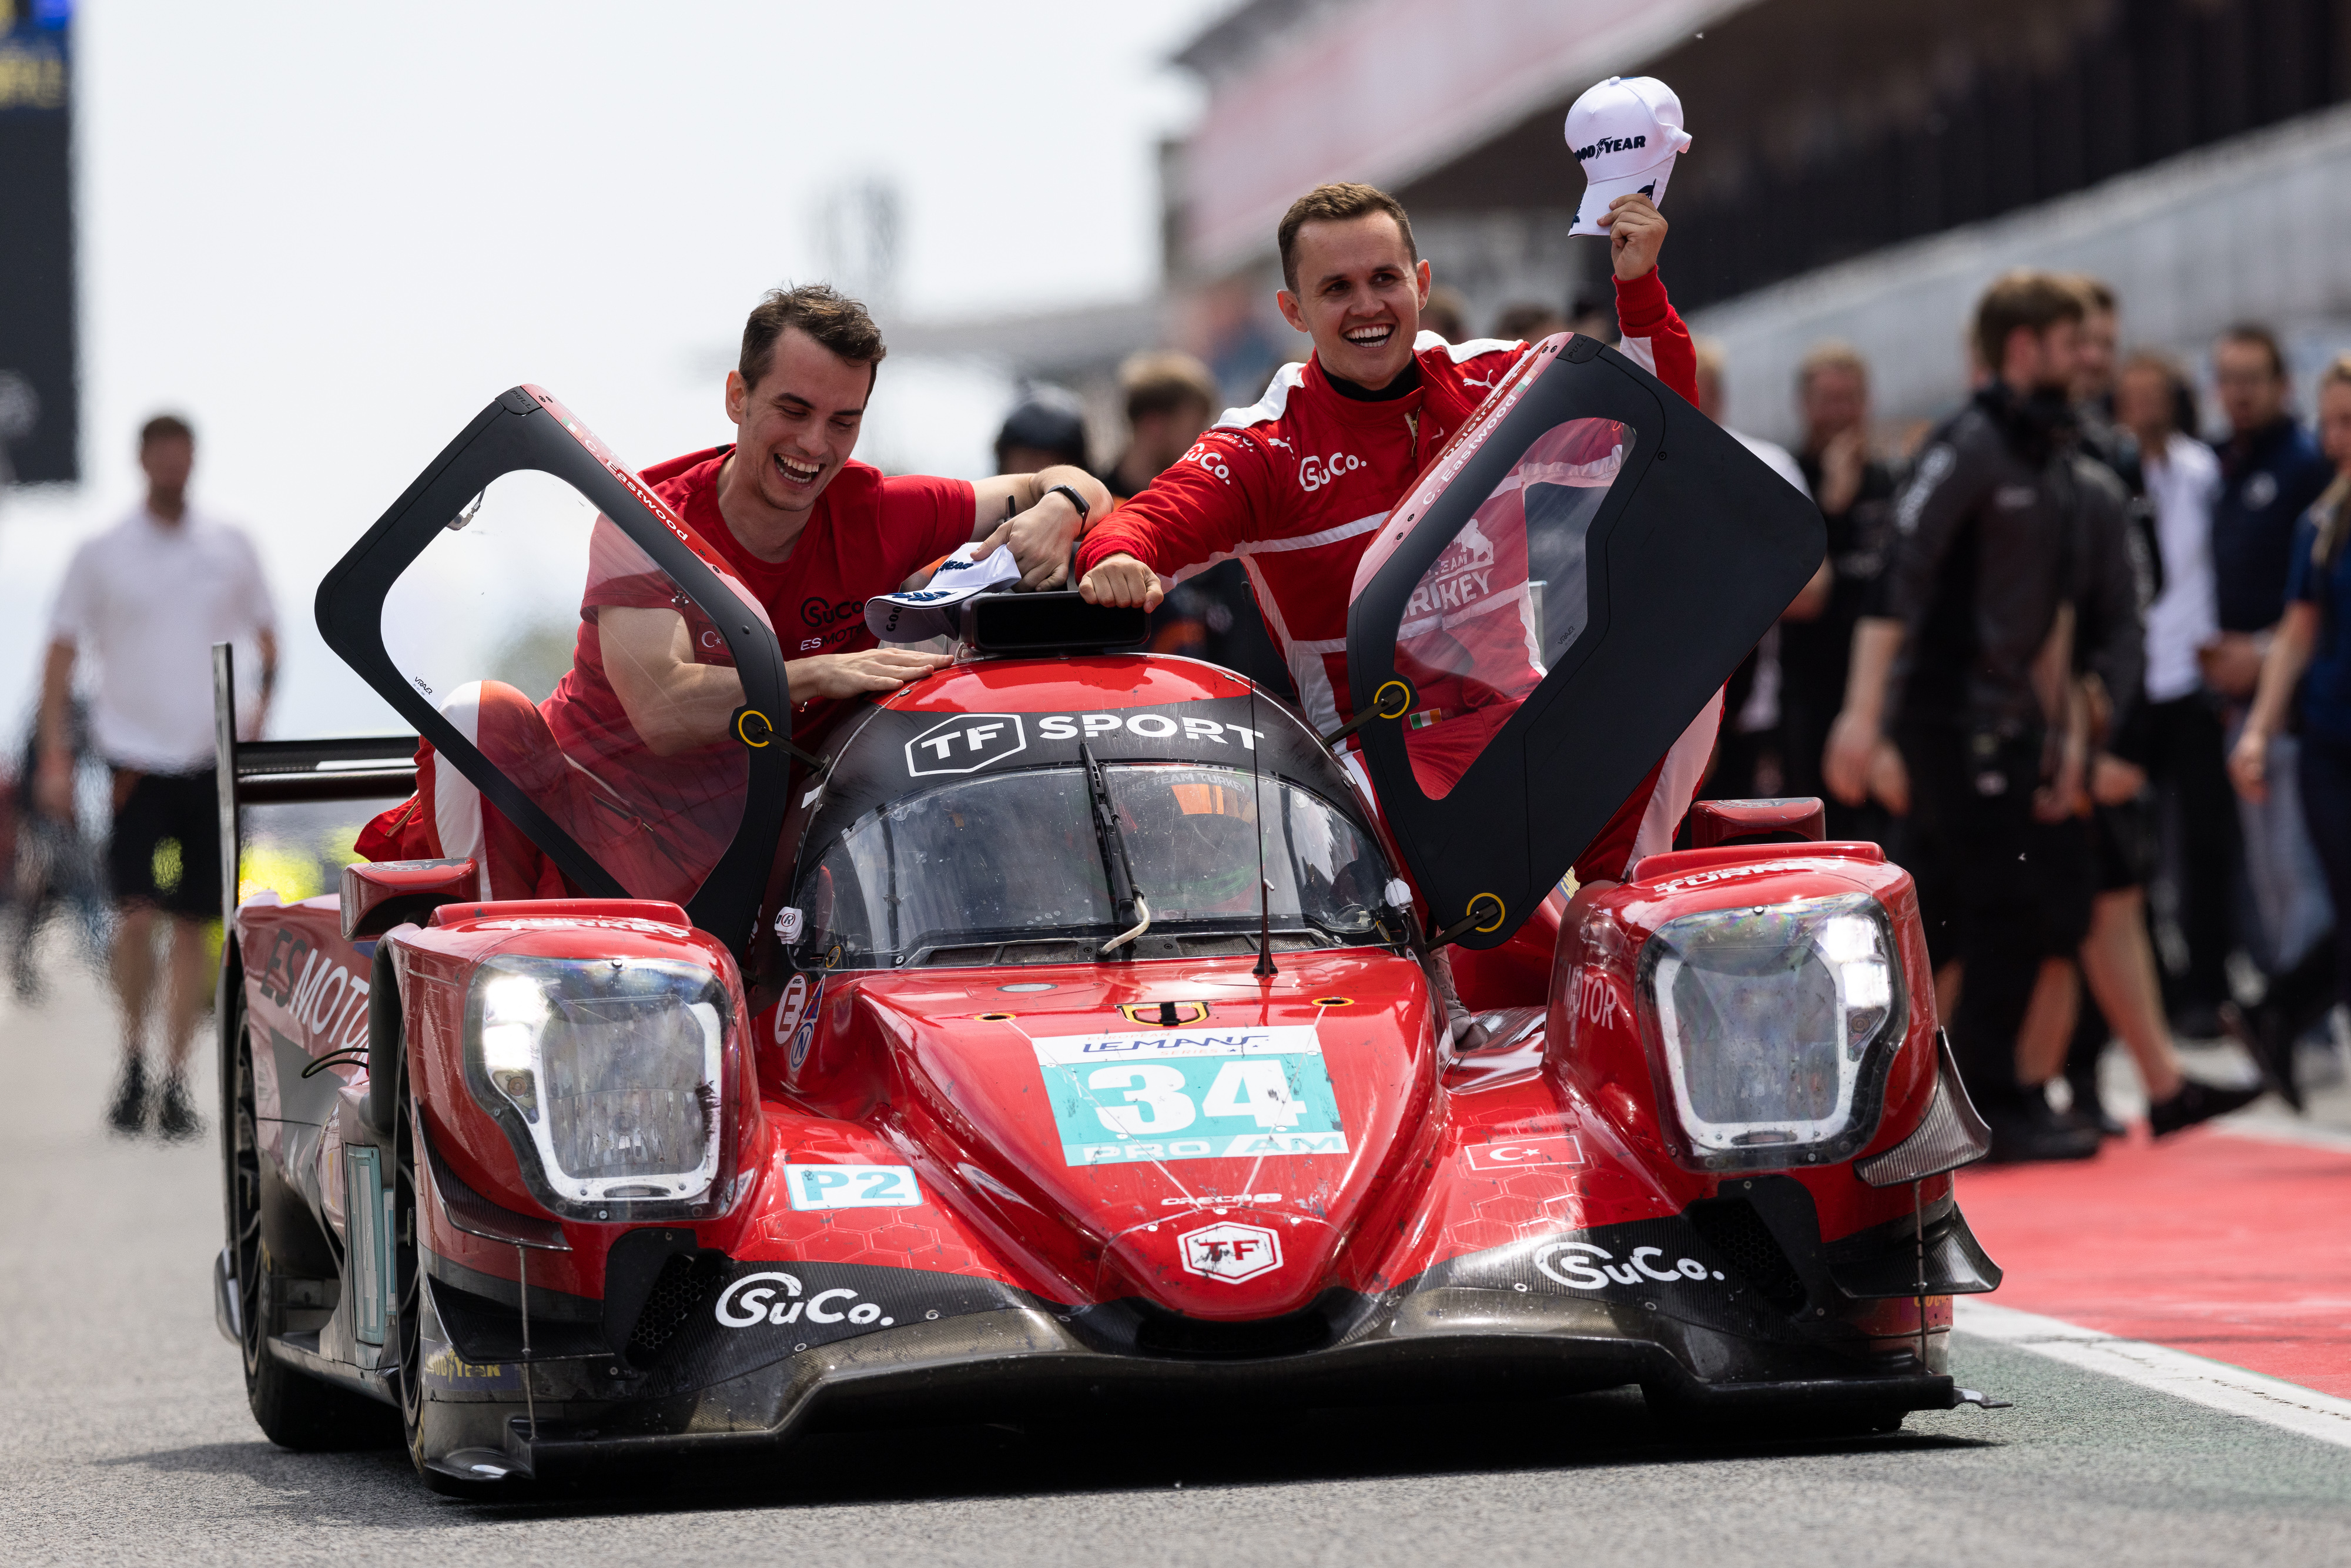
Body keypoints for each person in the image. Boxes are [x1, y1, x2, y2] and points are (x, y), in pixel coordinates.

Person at [1076, 180, 1706, 907]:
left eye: (1384, 279)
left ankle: (1615, 905)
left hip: (1523, 724)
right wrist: (1116, 558)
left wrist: (1639, 289)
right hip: (1377, 768)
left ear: (1421, 282)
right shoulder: (1266, 444)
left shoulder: (1494, 382)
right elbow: (1145, 520)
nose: (1367, 306)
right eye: (1336, 288)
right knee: (1510, 927)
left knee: (1696, 641)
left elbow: (1662, 432)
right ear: (1294, 311)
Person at [360, 285, 1106, 897]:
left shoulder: (878, 508)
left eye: (844, 421)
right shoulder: (647, 518)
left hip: (756, 876)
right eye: (793, 410)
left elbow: (1079, 486)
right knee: (477, 716)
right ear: (736, 396)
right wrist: (819, 674)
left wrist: (1059, 509)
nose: (816, 445)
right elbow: (664, 711)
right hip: (574, 852)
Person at [1824, 271, 2142, 1161]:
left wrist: (2067, 741)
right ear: (2022, 347)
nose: (2088, 360)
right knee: (2003, 905)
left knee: (1970, 912)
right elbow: (1900, 579)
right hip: (1944, 719)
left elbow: (2057, 620)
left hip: (2013, 725)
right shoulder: (1968, 445)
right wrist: (1862, 718)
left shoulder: (2054, 455)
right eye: (2070, 343)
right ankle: (1992, 1099)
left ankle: (1934, 1106)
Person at [38, 414, 277, 1138]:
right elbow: (60, 651)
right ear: (144, 460)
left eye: (184, 453)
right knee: (134, 914)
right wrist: (55, 752)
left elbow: (270, 637)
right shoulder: (104, 552)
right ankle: (133, 1054)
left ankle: (176, 1076)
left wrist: (261, 708)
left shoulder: (229, 546)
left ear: (194, 460)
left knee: (197, 923)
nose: (173, 465)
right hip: (134, 759)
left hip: (208, 756)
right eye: (162, 454)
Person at [2203, 325, 2339, 1104]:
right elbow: (2298, 628)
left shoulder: (2302, 481)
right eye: (2335, 423)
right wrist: (2254, 719)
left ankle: (2286, 1016)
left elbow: (2290, 634)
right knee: (2293, 883)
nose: (2338, 438)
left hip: (2303, 717)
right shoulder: (2312, 515)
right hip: (2304, 722)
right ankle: (2291, 1020)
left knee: (2313, 886)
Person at [2114, 349, 2235, 1037]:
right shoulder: (2104, 475)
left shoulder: (2202, 471)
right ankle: (2154, 991)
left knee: (2206, 844)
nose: (2143, 406)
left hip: (2191, 675)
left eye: (2153, 393)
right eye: (2131, 394)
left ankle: (2209, 986)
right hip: (2134, 685)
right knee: (2136, 854)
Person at [1692, 339, 1817, 801]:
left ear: (1720, 395)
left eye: (1701, 387)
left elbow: (1813, 588)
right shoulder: (1626, 468)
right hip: (1662, 713)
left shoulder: (1767, 464)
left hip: (1752, 708)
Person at [1783, 342, 1897, 841]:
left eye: (1849, 398)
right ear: (1805, 406)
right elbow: (1804, 593)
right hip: (1811, 690)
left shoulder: (1891, 481)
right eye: (1828, 399)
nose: (1839, 412)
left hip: (1882, 691)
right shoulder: (1788, 479)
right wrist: (1831, 505)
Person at [993, 386, 1091, 477]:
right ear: (1005, 460)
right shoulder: (983, 492)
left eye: (1055, 463)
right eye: (1028, 459)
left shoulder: (1099, 494)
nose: (1038, 473)